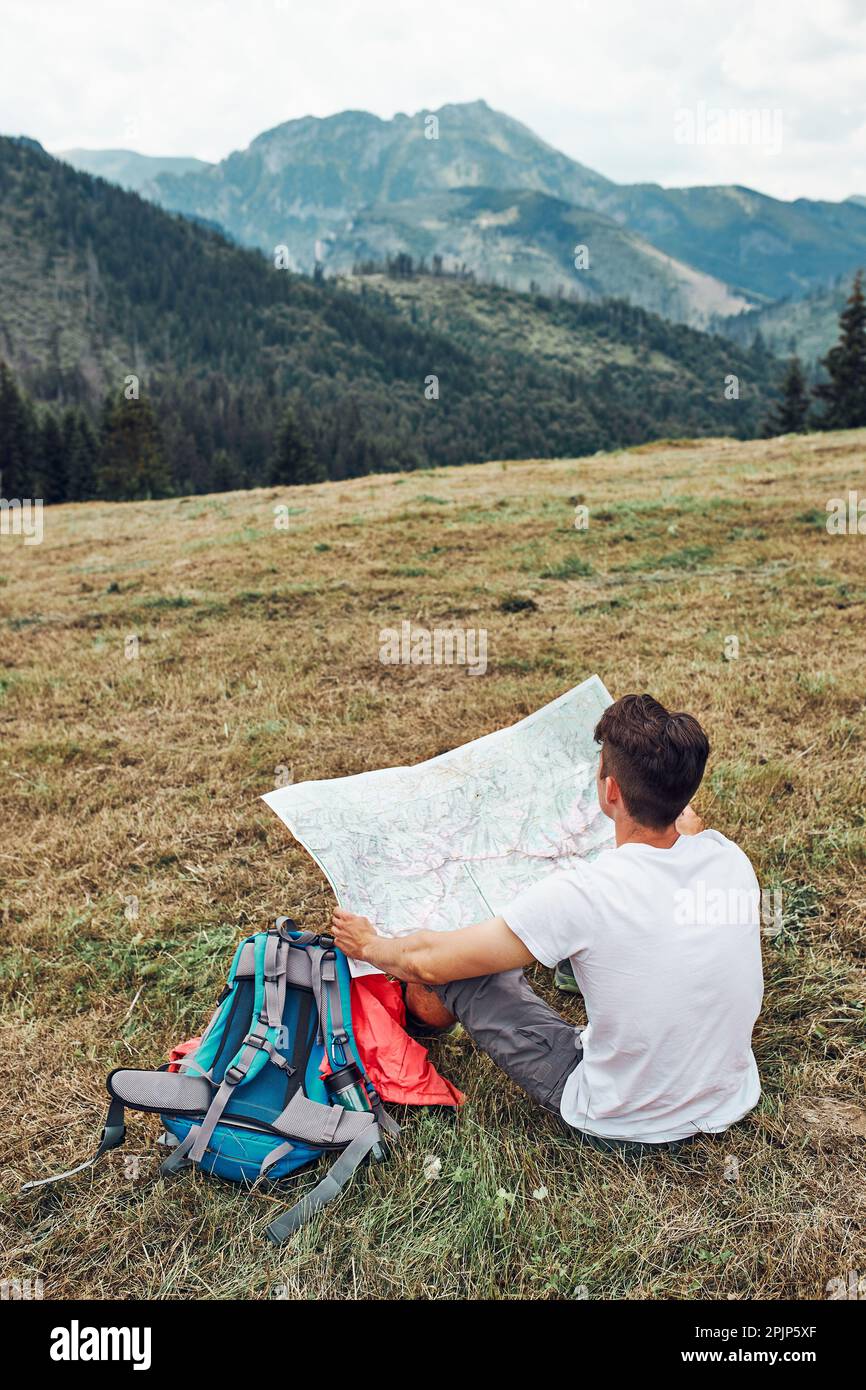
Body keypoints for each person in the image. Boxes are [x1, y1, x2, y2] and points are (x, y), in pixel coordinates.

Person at [331, 694, 763, 1146]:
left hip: (622, 1122)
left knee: (465, 974)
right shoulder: (728, 857)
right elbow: (678, 838)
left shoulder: (584, 894)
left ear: (610, 790)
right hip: (729, 1097)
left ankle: (422, 1021)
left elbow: (429, 963)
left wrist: (368, 946)